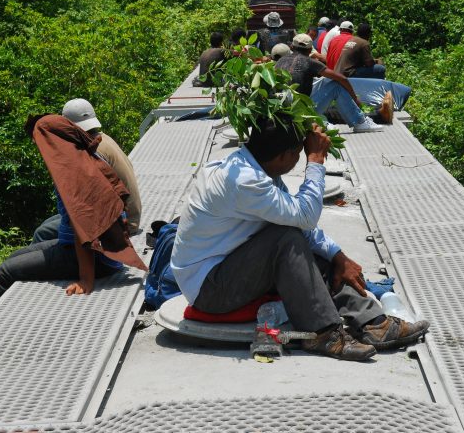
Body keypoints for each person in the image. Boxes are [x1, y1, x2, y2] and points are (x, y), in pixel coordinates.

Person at [170, 118, 429, 361]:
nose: (300, 159)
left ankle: (373, 323)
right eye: (299, 154)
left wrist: (338, 256)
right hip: (210, 289)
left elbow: (297, 221)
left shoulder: (254, 169)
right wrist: (315, 162)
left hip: (230, 267)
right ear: (284, 156)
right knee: (287, 240)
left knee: (309, 249)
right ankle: (322, 333)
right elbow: (304, 217)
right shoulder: (244, 182)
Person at [0, 114, 146, 363]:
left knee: (5, 272)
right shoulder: (79, 159)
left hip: (97, 258)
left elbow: (83, 229)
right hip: (90, 250)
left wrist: (86, 280)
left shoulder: (73, 173)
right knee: (14, 259)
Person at [32, 99, 142, 241]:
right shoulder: (104, 138)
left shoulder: (92, 150)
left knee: (42, 233)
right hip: (129, 213)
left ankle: (64, 261)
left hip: (121, 222)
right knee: (48, 224)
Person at [276, 34, 382, 133]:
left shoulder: (280, 61)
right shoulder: (310, 62)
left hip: (281, 111)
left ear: (291, 47)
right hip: (301, 112)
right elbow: (342, 78)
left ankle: (324, 122)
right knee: (335, 85)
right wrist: (355, 98)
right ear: (309, 50)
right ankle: (359, 122)